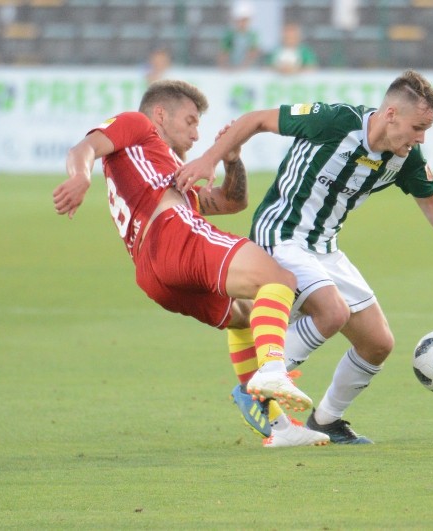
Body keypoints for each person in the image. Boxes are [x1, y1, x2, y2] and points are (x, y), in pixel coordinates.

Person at [176, 70, 433, 444]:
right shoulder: (335, 120)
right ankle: (255, 387)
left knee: (378, 343)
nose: (421, 138)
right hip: (281, 232)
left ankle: (326, 420)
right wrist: (210, 159)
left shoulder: (404, 156)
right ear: (391, 114)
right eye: (418, 127)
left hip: (323, 247)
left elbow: (430, 198)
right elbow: (256, 119)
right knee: (332, 312)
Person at [52, 79, 329, 448]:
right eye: (191, 120)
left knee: (245, 315)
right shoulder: (138, 124)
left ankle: (276, 426)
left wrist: (232, 160)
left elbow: (232, 203)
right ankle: (273, 370)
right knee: (277, 278)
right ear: (161, 114)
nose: (197, 133)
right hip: (170, 232)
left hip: (153, 271)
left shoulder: (166, 168)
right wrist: (81, 176)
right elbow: (84, 148)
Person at [216, 1, 261, 70]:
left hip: (248, 71)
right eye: (240, 20)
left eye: (244, 20)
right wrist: (226, 68)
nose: (242, 23)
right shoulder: (229, 35)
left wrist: (243, 68)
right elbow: (223, 53)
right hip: (231, 70)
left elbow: (253, 53)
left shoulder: (253, 35)